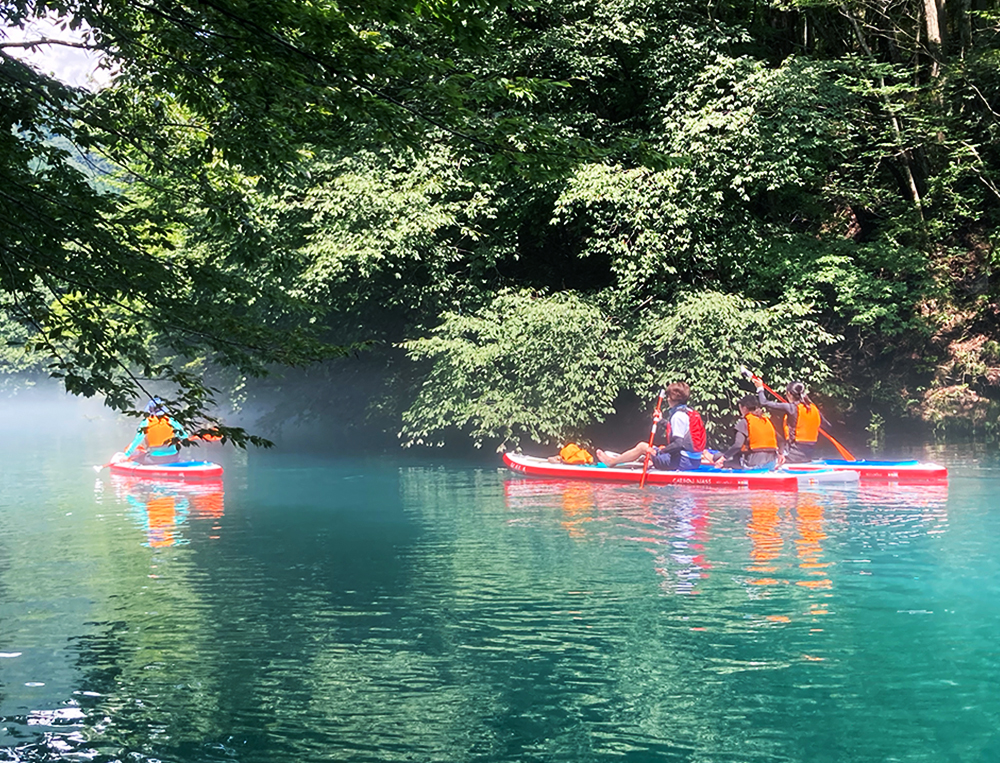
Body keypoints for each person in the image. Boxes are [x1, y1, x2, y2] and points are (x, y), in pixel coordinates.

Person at [597, 382, 706, 471]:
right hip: (693, 461)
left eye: (668, 396)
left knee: (642, 446)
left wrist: (661, 451)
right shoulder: (688, 412)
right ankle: (647, 460)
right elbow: (677, 430)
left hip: (682, 462)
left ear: (673, 399)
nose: (667, 399)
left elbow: (678, 443)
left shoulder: (678, 416)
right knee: (653, 450)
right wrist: (661, 421)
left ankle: (611, 462)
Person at [753, 378, 831, 463]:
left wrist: (760, 388)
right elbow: (827, 426)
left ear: (789, 394)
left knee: (765, 461)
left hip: (793, 452)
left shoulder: (791, 408)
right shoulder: (814, 409)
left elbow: (764, 402)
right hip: (810, 452)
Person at [714, 394, 782, 470]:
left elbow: (738, 445)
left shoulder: (744, 422)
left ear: (744, 408)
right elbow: (780, 440)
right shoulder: (766, 421)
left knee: (720, 458)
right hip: (771, 464)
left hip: (754, 464)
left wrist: (723, 458)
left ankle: (715, 460)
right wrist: (781, 454)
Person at [123, 398, 190, 464]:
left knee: (136, 459)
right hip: (173, 457)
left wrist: (127, 455)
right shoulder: (170, 420)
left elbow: (137, 440)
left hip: (154, 458)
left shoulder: (146, 422)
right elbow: (184, 436)